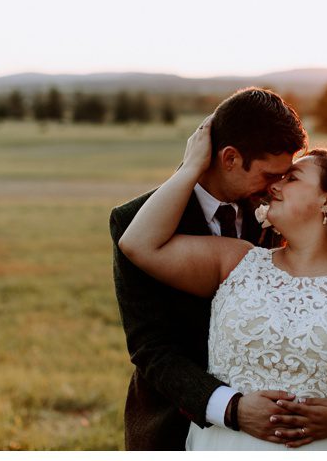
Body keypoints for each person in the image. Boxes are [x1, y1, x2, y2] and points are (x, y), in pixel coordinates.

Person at [118, 116, 327, 451]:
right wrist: (191, 168)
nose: (273, 186)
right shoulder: (235, 261)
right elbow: (139, 243)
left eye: (292, 178)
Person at [109, 88, 307, 448]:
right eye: (268, 175)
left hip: (267, 428)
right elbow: (152, 350)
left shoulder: (276, 211)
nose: (276, 188)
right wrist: (230, 407)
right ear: (230, 158)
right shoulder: (133, 223)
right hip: (173, 424)